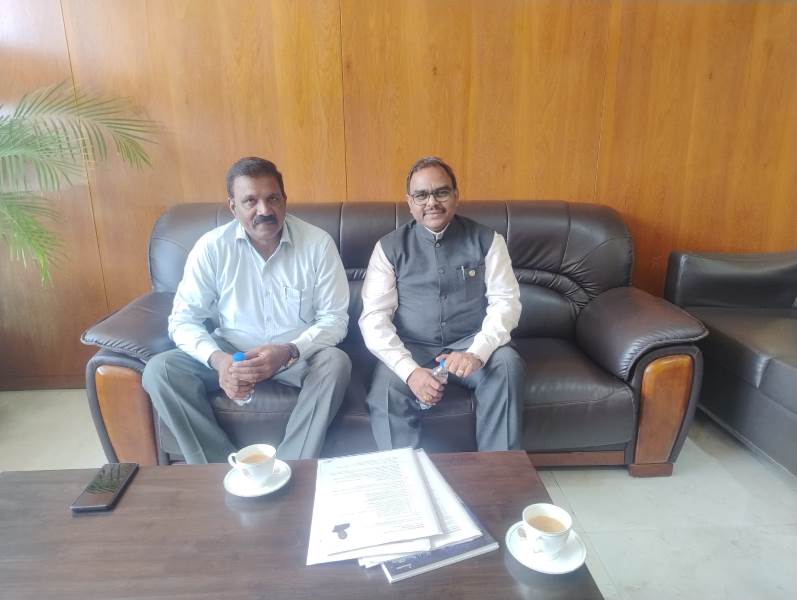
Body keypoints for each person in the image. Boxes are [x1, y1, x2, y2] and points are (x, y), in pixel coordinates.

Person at [142, 157, 351, 463]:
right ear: (233, 207)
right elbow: (183, 320)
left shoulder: (317, 244)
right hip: (233, 352)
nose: (264, 210)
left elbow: (335, 319)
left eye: (272, 199)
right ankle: (219, 469)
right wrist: (220, 361)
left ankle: (291, 467)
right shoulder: (212, 248)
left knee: (336, 363)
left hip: (296, 354)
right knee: (160, 371)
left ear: (285, 200)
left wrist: (289, 350)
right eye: (250, 201)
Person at [359, 156, 524, 451]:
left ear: (456, 196)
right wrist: (410, 371)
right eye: (421, 195)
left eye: (441, 192)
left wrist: (477, 352)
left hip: (471, 343)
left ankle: (499, 471)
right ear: (409, 203)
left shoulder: (488, 240)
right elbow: (374, 319)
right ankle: (406, 475)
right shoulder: (388, 248)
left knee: (507, 366)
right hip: (412, 347)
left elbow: (506, 303)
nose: (432, 202)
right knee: (386, 389)